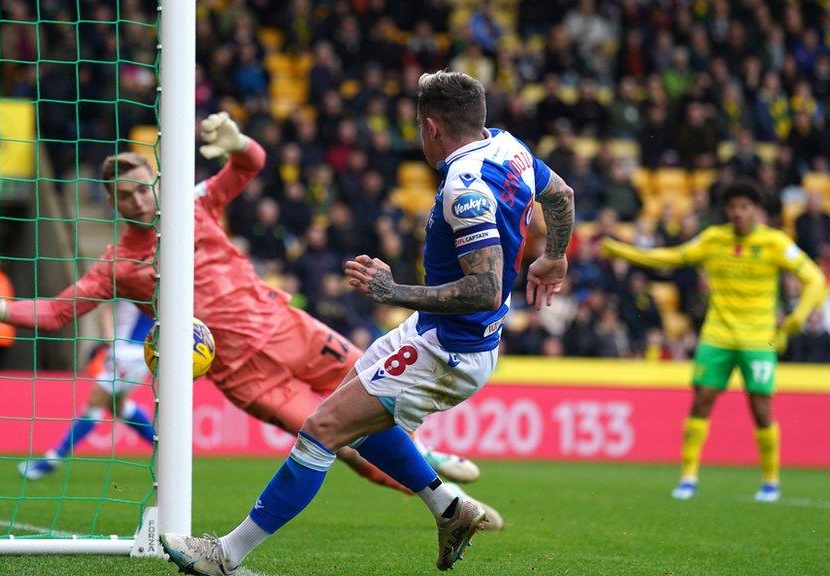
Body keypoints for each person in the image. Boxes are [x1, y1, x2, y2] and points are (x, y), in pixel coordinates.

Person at [0, 112, 483, 494]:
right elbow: (59, 311)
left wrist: (239, 143)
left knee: (374, 391)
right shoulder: (115, 266)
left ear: (156, 182)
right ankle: (443, 499)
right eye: (123, 195)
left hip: (285, 326)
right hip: (242, 375)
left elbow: (249, 166)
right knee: (346, 448)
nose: (136, 198)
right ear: (110, 202)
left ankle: (429, 459)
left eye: (142, 186)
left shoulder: (193, 204)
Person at [159, 71, 574, 575]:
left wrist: (390, 291)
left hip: (448, 349)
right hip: (433, 334)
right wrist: (554, 256)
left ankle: (224, 556)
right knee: (350, 418)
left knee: (320, 430)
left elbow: (485, 288)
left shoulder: (465, 187)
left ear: (431, 127)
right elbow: (563, 196)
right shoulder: (510, 148)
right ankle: (450, 508)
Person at [602, 180, 827, 503]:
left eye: (745, 207)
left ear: (757, 211)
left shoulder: (775, 243)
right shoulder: (714, 239)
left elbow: (815, 279)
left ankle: (771, 481)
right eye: (733, 207)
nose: (738, 213)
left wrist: (797, 317)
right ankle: (689, 477)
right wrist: (624, 250)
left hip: (758, 340)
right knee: (701, 400)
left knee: (761, 408)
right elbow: (673, 256)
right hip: (717, 335)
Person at [17, 300, 156, 479]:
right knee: (117, 406)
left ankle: (52, 459)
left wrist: (110, 334)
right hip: (133, 351)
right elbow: (108, 306)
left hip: (128, 353)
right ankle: (165, 451)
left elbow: (108, 306)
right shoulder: (149, 279)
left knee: (94, 404)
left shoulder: (137, 277)